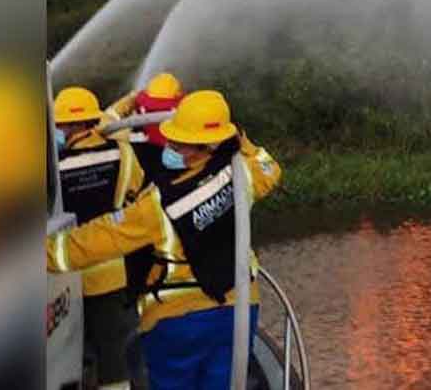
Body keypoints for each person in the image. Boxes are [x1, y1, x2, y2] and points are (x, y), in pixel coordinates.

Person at [47, 90, 282, 390]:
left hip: (177, 321)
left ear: (200, 148)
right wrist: (237, 136)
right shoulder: (243, 176)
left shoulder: (159, 206)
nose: (168, 146)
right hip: (238, 310)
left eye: (177, 141)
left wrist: (41, 253)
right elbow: (269, 167)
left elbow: (96, 240)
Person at [54, 86, 147, 390]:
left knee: (72, 353)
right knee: (116, 357)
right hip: (113, 272)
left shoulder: (56, 167)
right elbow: (138, 192)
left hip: (69, 275)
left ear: (70, 126)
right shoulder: (123, 154)